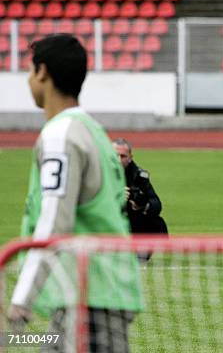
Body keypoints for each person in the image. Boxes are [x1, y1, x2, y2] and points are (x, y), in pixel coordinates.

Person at [8, 34, 143, 351]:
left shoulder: (60, 135)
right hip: (96, 291)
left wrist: (21, 297)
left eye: (30, 71)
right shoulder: (93, 131)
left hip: (91, 296)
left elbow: (55, 221)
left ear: (42, 72)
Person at [113, 138, 168, 262]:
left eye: (123, 156)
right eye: (115, 155)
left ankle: (140, 251)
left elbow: (156, 204)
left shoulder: (138, 175)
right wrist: (115, 197)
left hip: (130, 220)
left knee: (157, 224)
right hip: (107, 221)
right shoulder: (99, 173)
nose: (118, 160)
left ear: (130, 157)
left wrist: (143, 205)